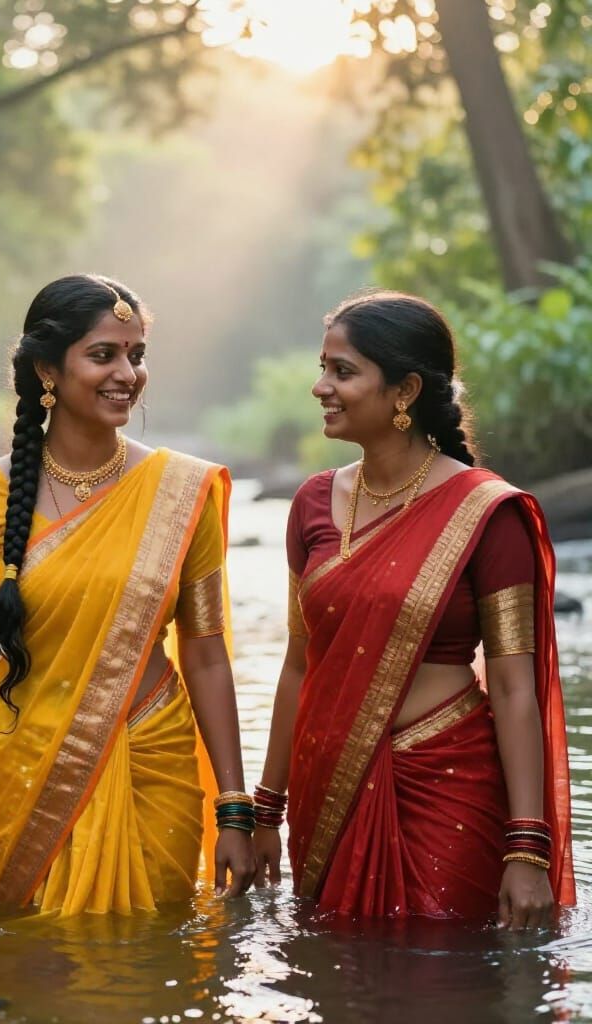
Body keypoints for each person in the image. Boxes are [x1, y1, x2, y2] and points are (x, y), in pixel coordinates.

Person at [0, 274, 255, 914]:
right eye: (104, 354)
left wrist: (235, 810)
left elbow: (207, 655)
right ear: (48, 369)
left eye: (137, 354)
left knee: (156, 971)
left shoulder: (182, 492)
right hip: (27, 765)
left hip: (152, 758)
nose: (127, 372)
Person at [253, 290, 574, 928]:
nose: (321, 387)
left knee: (443, 985)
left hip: (446, 784)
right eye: (324, 368)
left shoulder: (487, 513)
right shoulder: (314, 504)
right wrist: (264, 810)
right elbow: (298, 667)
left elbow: (513, 688)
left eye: (342, 372)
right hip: (329, 790)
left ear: (404, 391)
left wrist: (528, 847)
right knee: (334, 979)